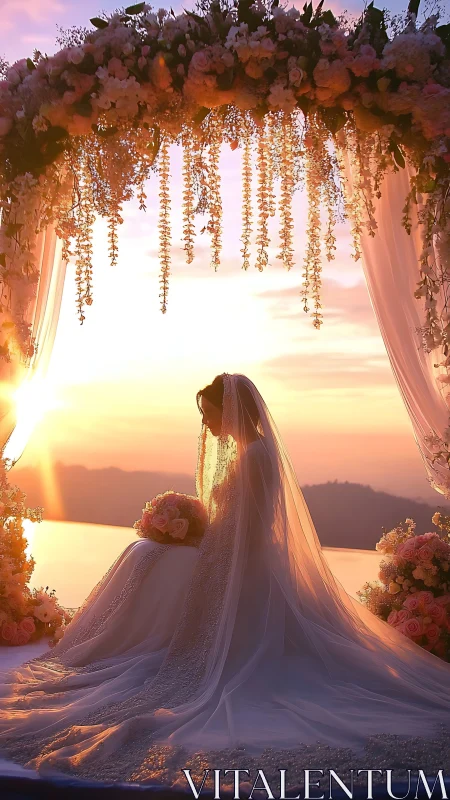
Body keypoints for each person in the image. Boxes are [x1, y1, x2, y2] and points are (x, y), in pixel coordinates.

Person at [2, 372, 450, 784]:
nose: (207, 425)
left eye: (209, 414)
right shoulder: (253, 452)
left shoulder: (256, 456)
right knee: (146, 553)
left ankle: (123, 636)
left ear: (228, 410)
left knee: (149, 558)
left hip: (245, 566)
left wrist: (204, 547)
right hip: (231, 554)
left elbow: (250, 528)